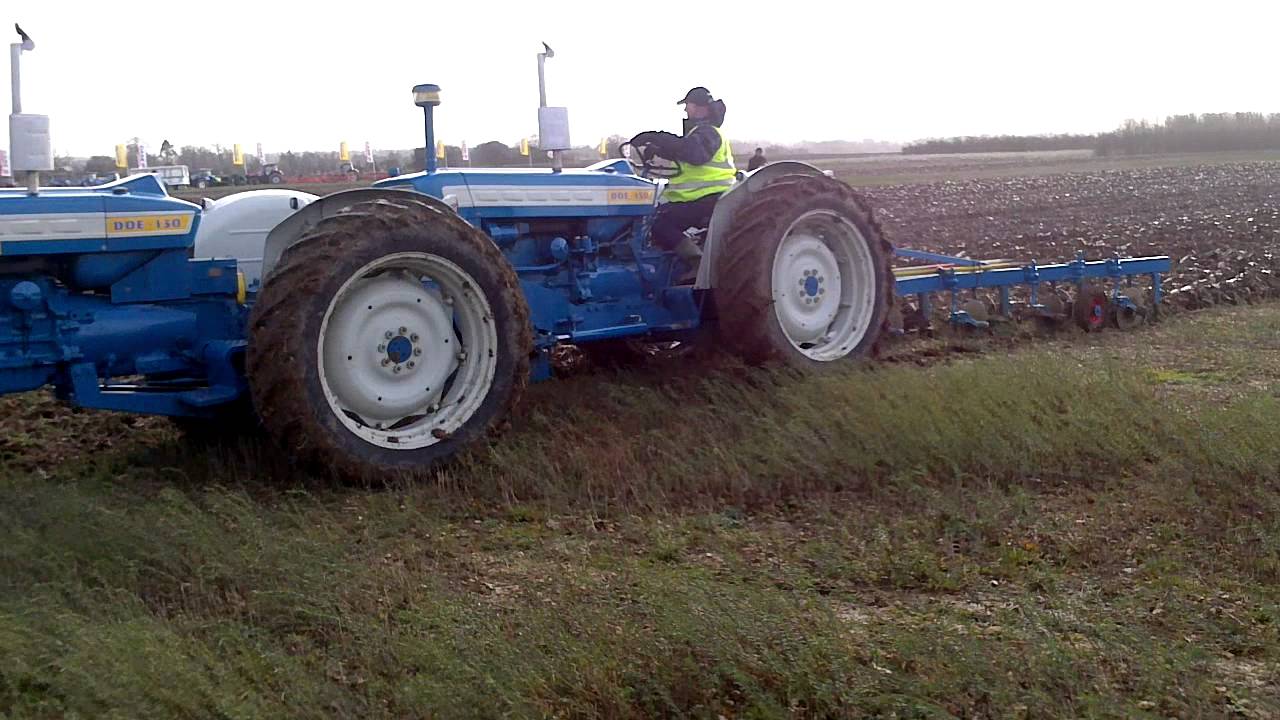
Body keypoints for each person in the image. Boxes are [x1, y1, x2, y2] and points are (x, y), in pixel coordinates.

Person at [629, 87, 737, 275]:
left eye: (688, 105)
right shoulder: (698, 134)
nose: (686, 110)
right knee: (652, 218)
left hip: (710, 198)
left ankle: (697, 265)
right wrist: (657, 149)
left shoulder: (709, 133)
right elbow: (683, 151)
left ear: (699, 107)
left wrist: (658, 137)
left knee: (658, 224)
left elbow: (693, 153)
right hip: (696, 198)